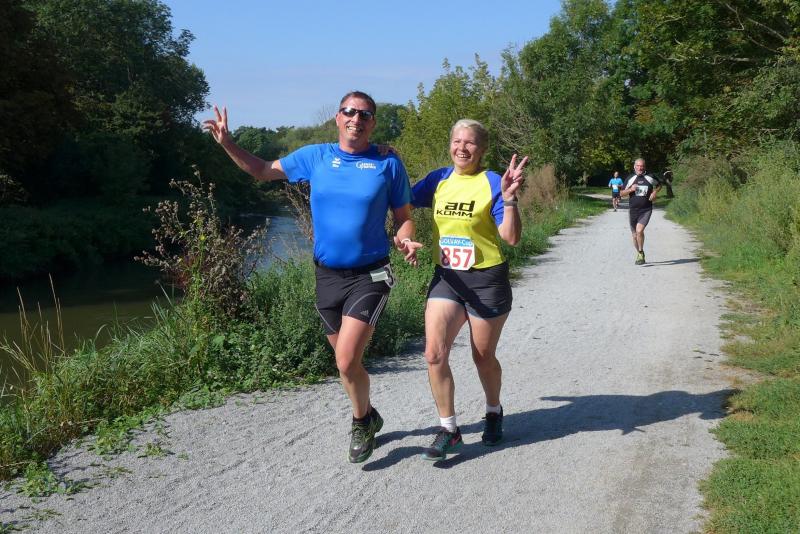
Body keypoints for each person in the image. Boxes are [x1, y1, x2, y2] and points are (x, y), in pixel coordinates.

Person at [203, 91, 422, 463]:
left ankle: (359, 423)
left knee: (346, 360)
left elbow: (403, 217)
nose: (356, 119)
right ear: (337, 117)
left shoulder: (388, 163)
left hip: (371, 274)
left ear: (373, 123)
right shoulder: (315, 157)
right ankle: (369, 414)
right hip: (327, 276)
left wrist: (405, 239)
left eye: (365, 114)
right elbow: (262, 170)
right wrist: (227, 143)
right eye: (349, 111)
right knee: (346, 364)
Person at [410, 119, 528, 461]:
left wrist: (510, 199)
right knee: (434, 354)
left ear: (482, 149)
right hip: (447, 277)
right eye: (457, 141)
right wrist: (383, 157)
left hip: (486, 279)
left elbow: (511, 238)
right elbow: (399, 199)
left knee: (482, 357)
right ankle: (449, 430)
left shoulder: (492, 182)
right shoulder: (438, 179)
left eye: (470, 142)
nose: (462, 148)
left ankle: (493, 411)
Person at [620, 158, 661, 265]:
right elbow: (621, 193)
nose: (640, 168)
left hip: (646, 209)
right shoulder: (630, 178)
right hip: (633, 210)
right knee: (634, 235)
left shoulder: (650, 176)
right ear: (634, 167)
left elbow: (659, 185)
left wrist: (655, 192)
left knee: (639, 231)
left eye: (641, 166)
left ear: (644, 166)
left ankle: (641, 252)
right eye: (638, 166)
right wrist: (631, 189)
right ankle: (640, 253)